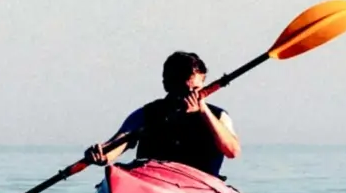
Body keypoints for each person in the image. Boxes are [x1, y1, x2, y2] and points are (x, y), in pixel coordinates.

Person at [83, 50, 238, 182]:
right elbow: (115, 146)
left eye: (196, 89)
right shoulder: (145, 114)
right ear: (167, 85)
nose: (189, 96)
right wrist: (101, 155)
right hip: (152, 182)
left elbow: (232, 151)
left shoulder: (219, 116)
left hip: (202, 185)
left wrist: (204, 111)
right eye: (183, 90)